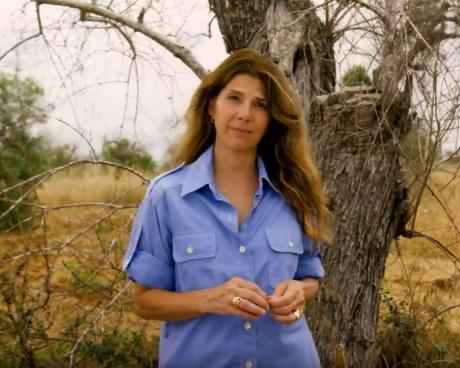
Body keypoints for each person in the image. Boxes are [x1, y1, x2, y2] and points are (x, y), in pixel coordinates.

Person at [121, 48, 332, 368]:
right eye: (234, 98)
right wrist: (210, 299)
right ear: (211, 107)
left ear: (271, 119)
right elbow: (144, 301)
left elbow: (309, 276)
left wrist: (300, 292)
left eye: (260, 105)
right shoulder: (166, 196)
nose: (245, 113)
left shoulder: (295, 193)